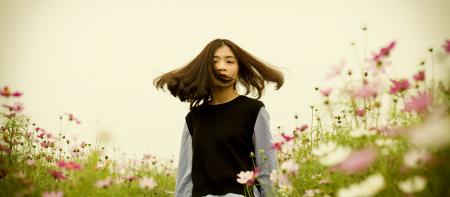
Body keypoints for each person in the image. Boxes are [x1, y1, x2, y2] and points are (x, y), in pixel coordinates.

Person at [153, 38, 284, 197]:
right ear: (205, 68)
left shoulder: (253, 110)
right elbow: (185, 178)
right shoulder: (194, 118)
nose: (222, 67)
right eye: (215, 61)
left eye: (229, 61)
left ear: (239, 68)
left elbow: (267, 169)